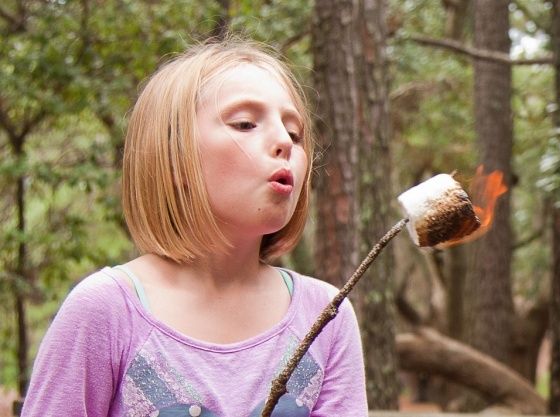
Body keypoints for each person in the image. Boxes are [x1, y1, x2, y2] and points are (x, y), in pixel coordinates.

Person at [22, 38, 368, 417]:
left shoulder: (326, 316)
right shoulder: (106, 310)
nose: (284, 141)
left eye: (295, 133)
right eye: (245, 123)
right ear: (174, 158)